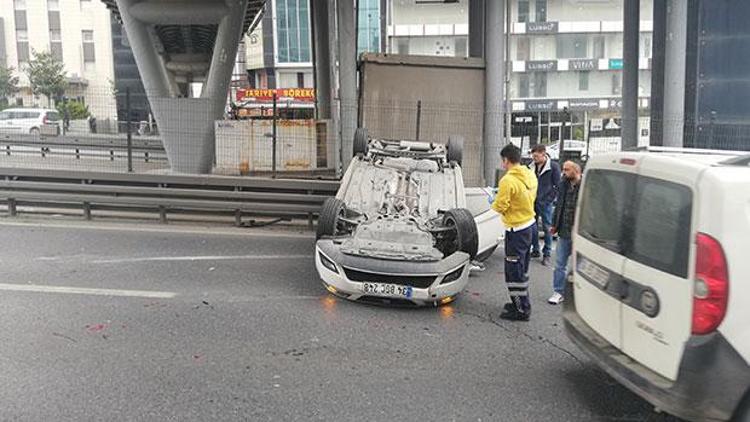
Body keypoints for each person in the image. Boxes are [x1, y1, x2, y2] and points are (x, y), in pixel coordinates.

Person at [491, 144, 538, 321]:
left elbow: (501, 206)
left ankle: (521, 309)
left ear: (505, 160)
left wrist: (493, 202)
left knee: (513, 271)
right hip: (529, 225)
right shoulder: (529, 174)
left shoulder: (507, 180)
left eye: (502, 161)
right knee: (522, 269)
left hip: (516, 230)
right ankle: (520, 302)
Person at [548, 161, 582, 305]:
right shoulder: (564, 184)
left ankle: (576, 293)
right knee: (560, 264)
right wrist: (555, 225)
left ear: (576, 170)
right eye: (563, 169)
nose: (564, 172)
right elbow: (559, 205)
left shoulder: (586, 185)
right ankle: (558, 292)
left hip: (580, 233)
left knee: (578, 266)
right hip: (564, 231)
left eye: (567, 169)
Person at [529, 144, 560, 266]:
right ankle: (535, 249)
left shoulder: (553, 167)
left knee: (547, 228)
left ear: (543, 154)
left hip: (545, 202)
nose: (534, 158)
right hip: (532, 200)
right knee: (533, 226)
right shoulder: (531, 166)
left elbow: (557, 186)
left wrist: (549, 199)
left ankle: (547, 253)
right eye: (533, 156)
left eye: (536, 156)